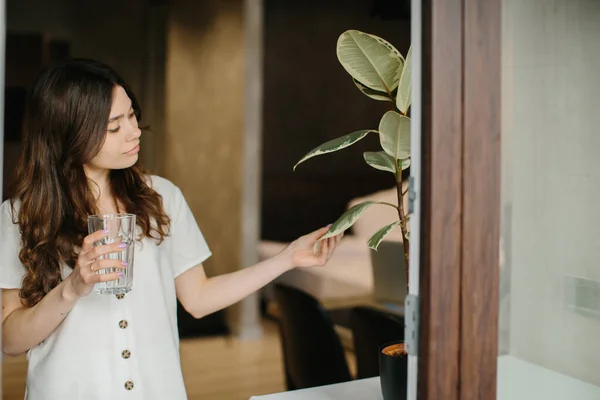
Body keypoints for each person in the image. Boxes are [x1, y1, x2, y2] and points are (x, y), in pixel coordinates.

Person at [0, 58, 342, 399]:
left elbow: (199, 298)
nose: (134, 131)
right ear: (69, 134)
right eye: (114, 126)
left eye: (132, 115)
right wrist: (72, 288)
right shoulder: (20, 216)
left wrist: (286, 259)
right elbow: (10, 341)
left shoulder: (161, 197)